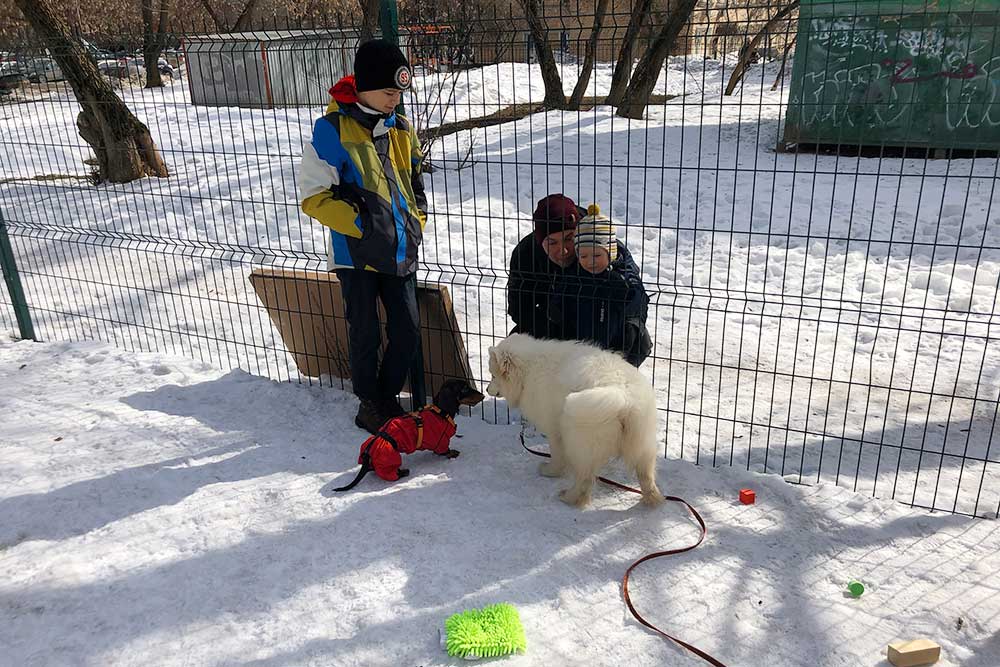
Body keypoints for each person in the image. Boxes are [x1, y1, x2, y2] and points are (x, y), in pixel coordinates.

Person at [299, 39, 428, 434]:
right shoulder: (331, 130)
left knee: (407, 330)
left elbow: (415, 179)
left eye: (400, 93)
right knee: (366, 332)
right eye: (389, 92)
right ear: (365, 86)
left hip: (400, 248)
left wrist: (416, 218)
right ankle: (369, 403)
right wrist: (363, 225)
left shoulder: (402, 129)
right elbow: (313, 196)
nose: (395, 100)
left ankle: (386, 396)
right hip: (355, 255)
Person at [549, 204, 652, 367]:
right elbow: (560, 300)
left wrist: (631, 328)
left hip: (617, 351)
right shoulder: (574, 277)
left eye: (597, 255)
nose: (590, 261)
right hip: (580, 350)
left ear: (610, 252)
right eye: (583, 256)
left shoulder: (622, 280)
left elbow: (638, 303)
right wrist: (556, 311)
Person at [507, 194, 584, 340]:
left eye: (569, 239)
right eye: (552, 243)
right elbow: (519, 308)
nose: (563, 251)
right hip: (550, 320)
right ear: (540, 241)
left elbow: (632, 291)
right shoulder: (525, 253)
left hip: (596, 322)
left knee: (635, 337)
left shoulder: (598, 242)